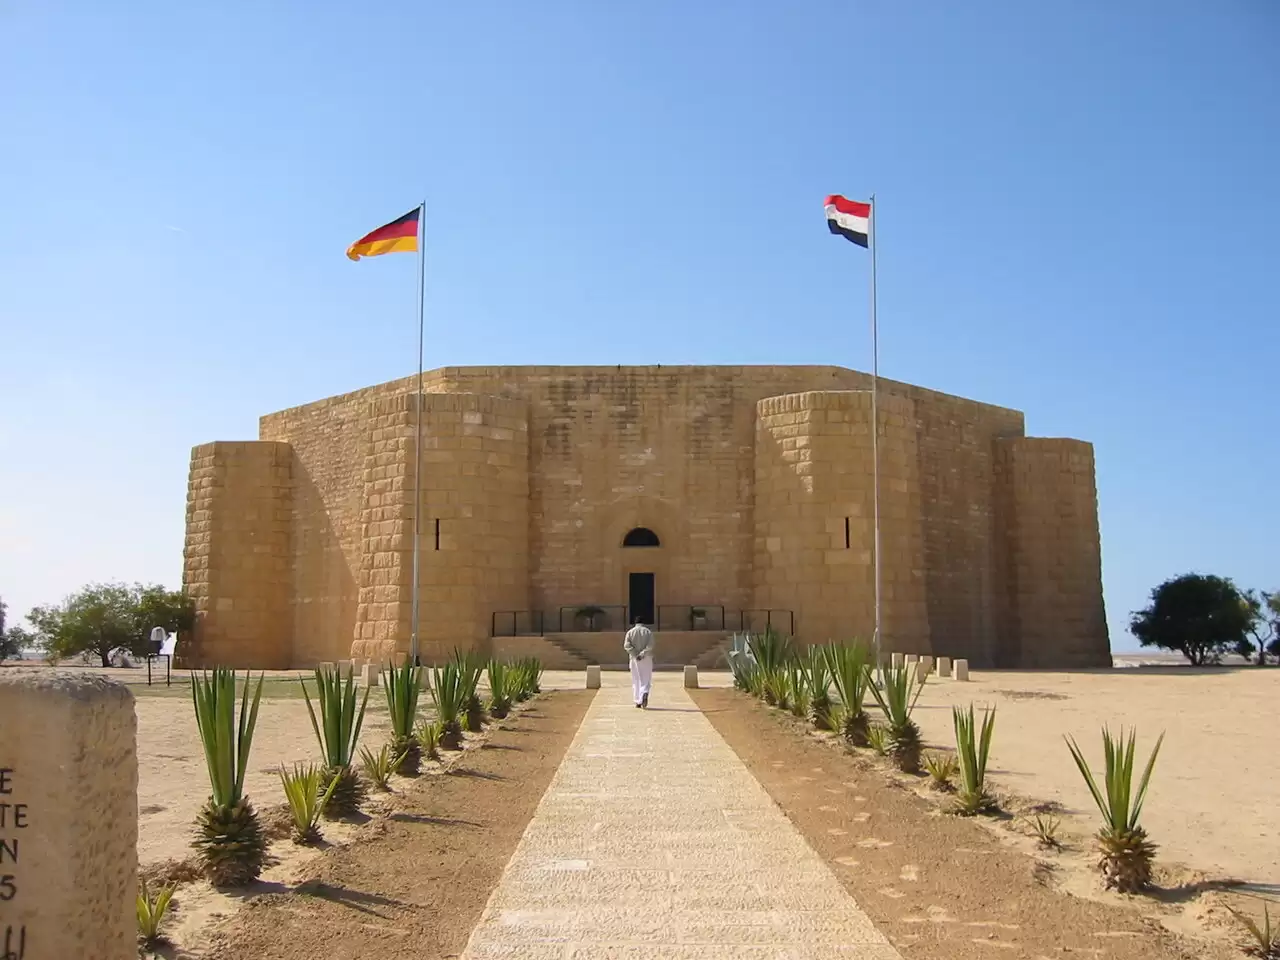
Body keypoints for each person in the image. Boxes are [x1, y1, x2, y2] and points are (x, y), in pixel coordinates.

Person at [624, 616, 654, 708]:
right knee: (646, 678)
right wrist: (642, 654)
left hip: (634, 659)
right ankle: (644, 692)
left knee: (636, 679)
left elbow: (627, 645)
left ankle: (638, 700)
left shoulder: (630, 632)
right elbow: (650, 645)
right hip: (646, 658)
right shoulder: (648, 632)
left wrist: (635, 654)